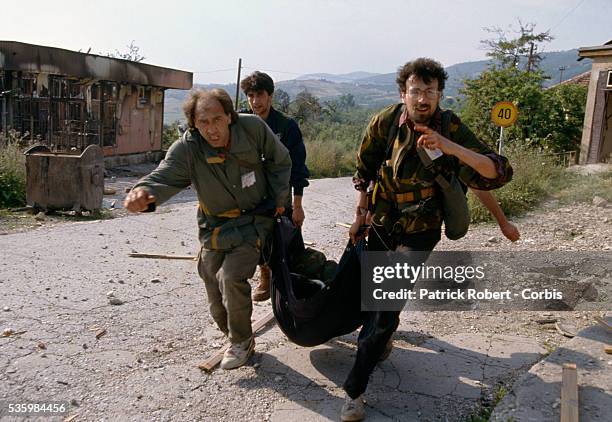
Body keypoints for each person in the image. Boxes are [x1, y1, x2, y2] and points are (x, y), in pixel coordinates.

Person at [343, 58, 513, 421]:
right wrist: (360, 215)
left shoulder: (450, 127)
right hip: (383, 222)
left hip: (422, 231)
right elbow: (365, 170)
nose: (423, 99)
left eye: (430, 92)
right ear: (403, 93)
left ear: (439, 94)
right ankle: (382, 336)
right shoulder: (386, 123)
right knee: (376, 296)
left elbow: (495, 170)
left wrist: (450, 147)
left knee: (386, 303)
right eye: (415, 91)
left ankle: (355, 388)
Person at [124, 88, 291, 370]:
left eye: (217, 119)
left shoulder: (252, 128)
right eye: (203, 122)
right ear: (194, 124)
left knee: (231, 277)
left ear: (229, 116)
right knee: (211, 281)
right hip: (214, 226)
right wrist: (142, 192)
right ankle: (235, 335)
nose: (211, 129)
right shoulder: (187, 149)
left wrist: (280, 200)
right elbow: (163, 176)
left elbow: (280, 160)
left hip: (254, 220)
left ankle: (240, 341)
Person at [240, 71, 310, 301]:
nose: (255, 101)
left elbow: (298, 168)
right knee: (255, 235)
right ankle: (265, 275)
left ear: (270, 96)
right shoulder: (242, 124)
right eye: (250, 95)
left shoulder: (286, 126)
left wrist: (298, 205)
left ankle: (291, 280)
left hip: (280, 193)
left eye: (260, 94)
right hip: (251, 192)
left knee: (285, 236)